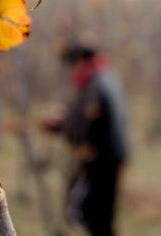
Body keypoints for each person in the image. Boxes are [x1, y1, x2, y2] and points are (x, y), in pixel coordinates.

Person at [42, 44, 129, 236]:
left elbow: (86, 122)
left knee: (94, 215)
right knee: (99, 214)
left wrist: (60, 124)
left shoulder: (94, 83)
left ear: (80, 62)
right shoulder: (104, 76)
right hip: (109, 157)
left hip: (101, 160)